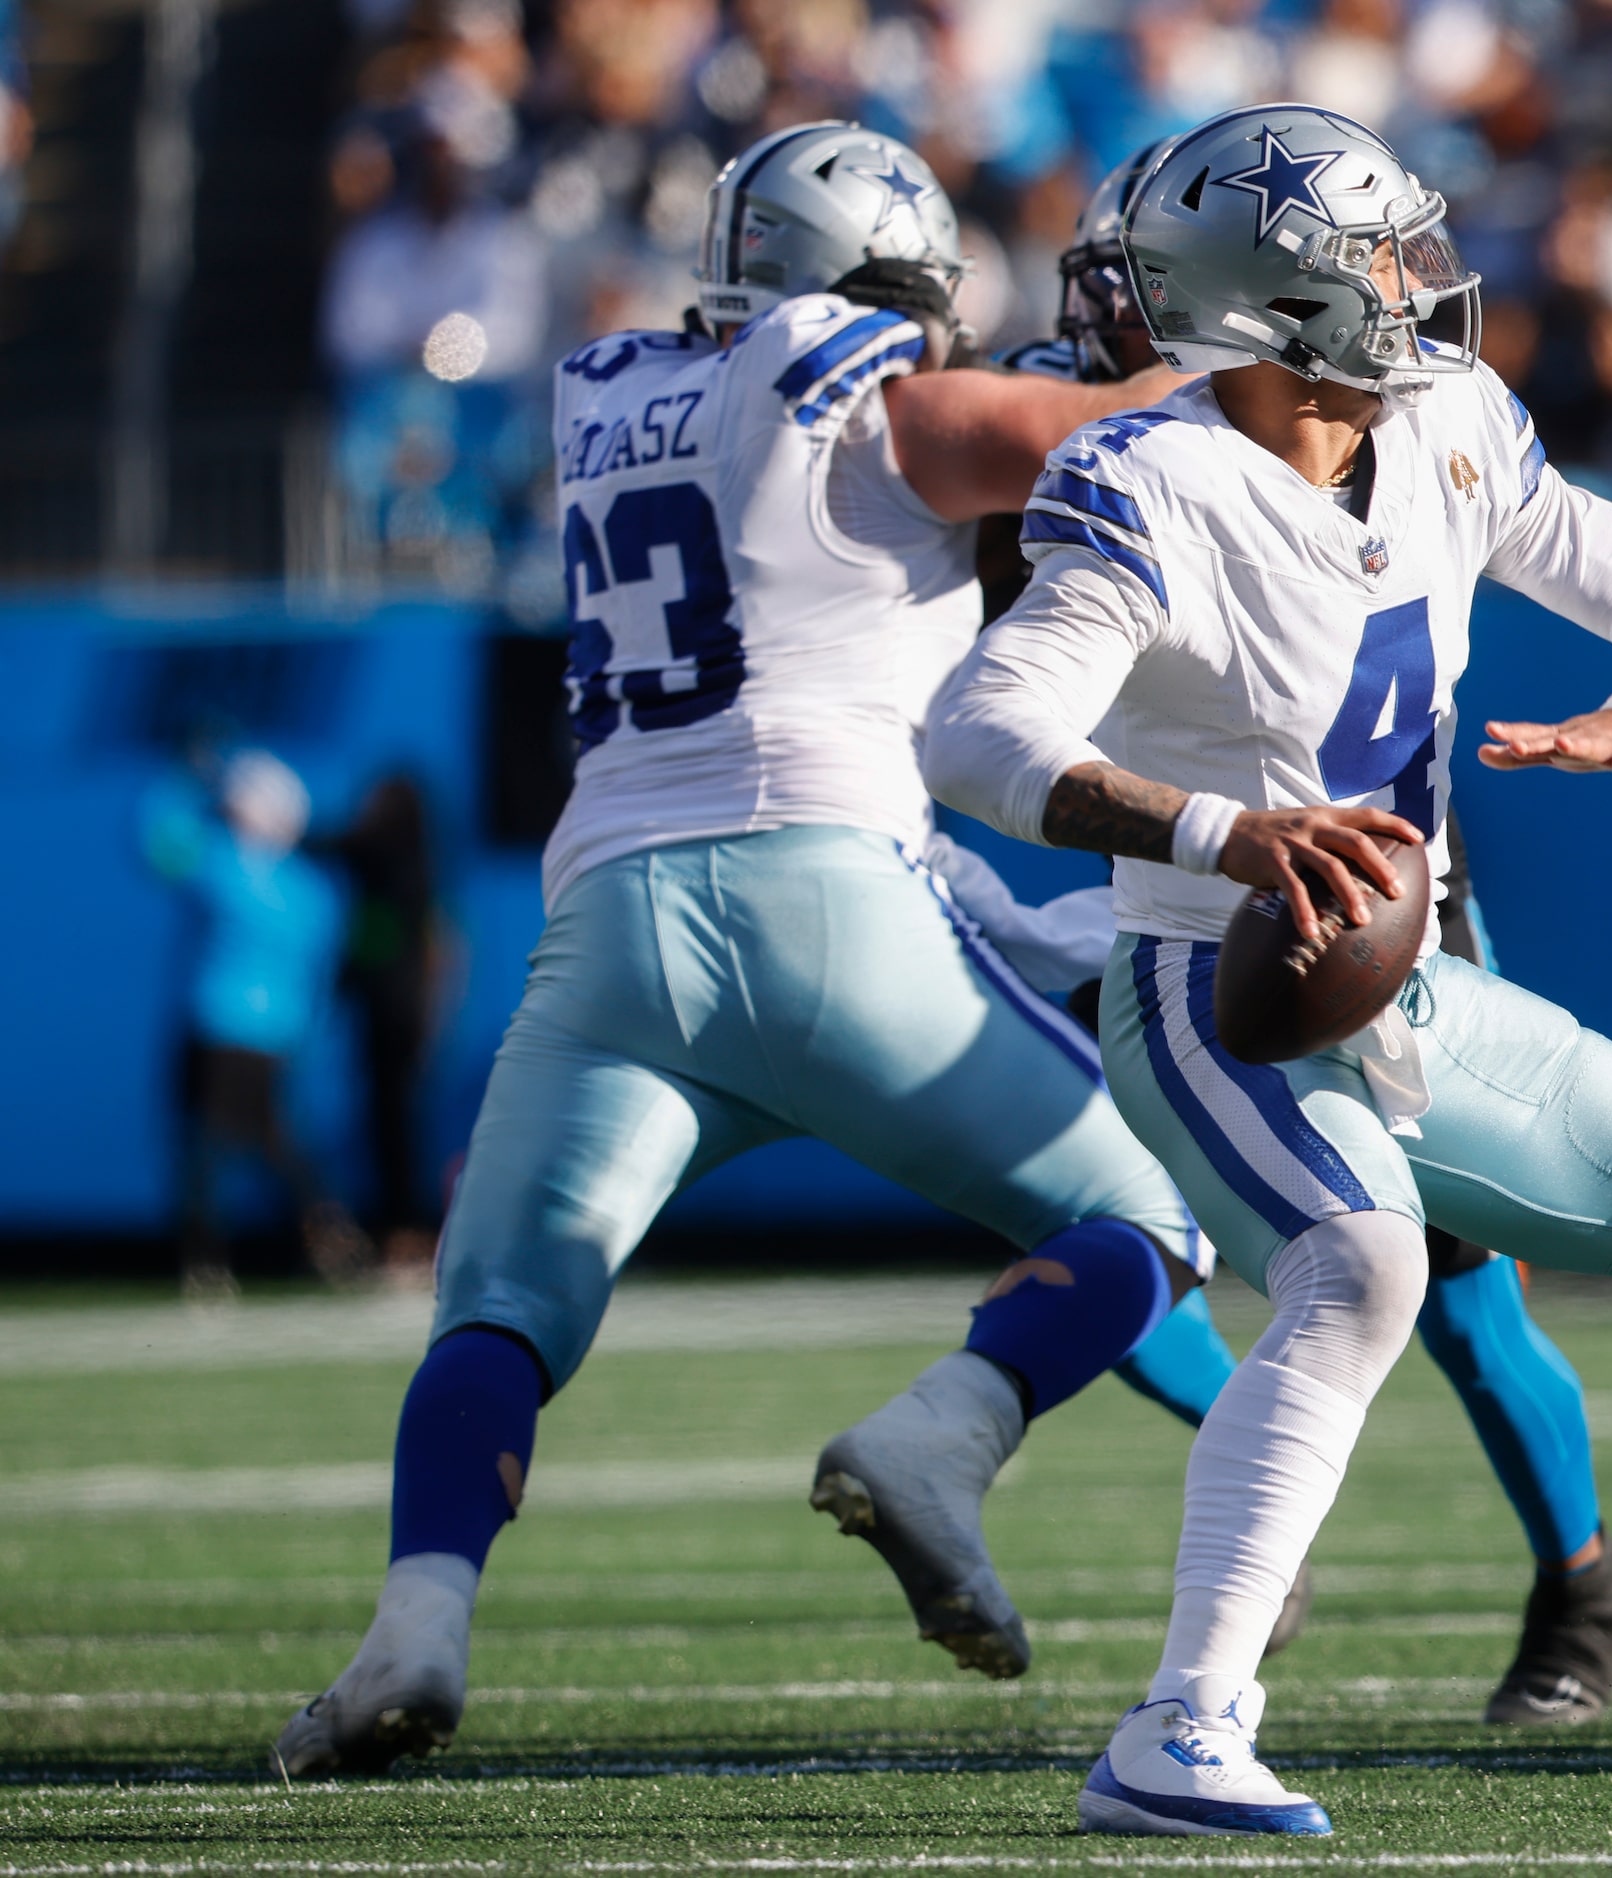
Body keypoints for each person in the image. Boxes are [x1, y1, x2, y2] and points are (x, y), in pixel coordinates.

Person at [926, 104, 1612, 1836]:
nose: (1420, 283)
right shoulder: (1149, 478)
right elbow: (975, 734)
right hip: (1215, 986)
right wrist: (1220, 833)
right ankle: (1180, 1724)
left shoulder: (1453, 425)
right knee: (1358, 1272)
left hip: (1399, 982)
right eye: (1376, 258)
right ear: (1272, 304)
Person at [273, 122, 1214, 1778]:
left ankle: (413, 1629)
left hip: (610, 921)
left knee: (497, 1309)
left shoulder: (616, 385)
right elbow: (1090, 430)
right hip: (819, 888)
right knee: (1149, 1213)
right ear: (878, 277)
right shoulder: (867, 385)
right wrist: (1237, 357)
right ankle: (946, 1433)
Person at [989, 145, 1612, 1722]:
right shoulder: (1072, 446)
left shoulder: (1359, 420)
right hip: (1084, 871)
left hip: (1341, 879)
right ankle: (1238, 1547)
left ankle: (1582, 1570)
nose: (1113, 322)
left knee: (1449, 1271)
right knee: (1114, 1210)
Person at [142, 747, 361, 1294]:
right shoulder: (313, 889)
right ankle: (331, 1241)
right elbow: (324, 974)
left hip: (219, 1028)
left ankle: (206, 1264)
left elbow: (159, 840)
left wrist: (185, 777)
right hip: (274, 1036)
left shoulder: (227, 866)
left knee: (208, 1150)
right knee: (276, 1146)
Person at [309, 774, 445, 1275]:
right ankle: (400, 1231)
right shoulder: (403, 861)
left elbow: (328, 843)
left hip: (397, 1010)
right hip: (383, 1008)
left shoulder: (392, 854)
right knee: (386, 1122)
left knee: (397, 1124)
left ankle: (408, 1235)